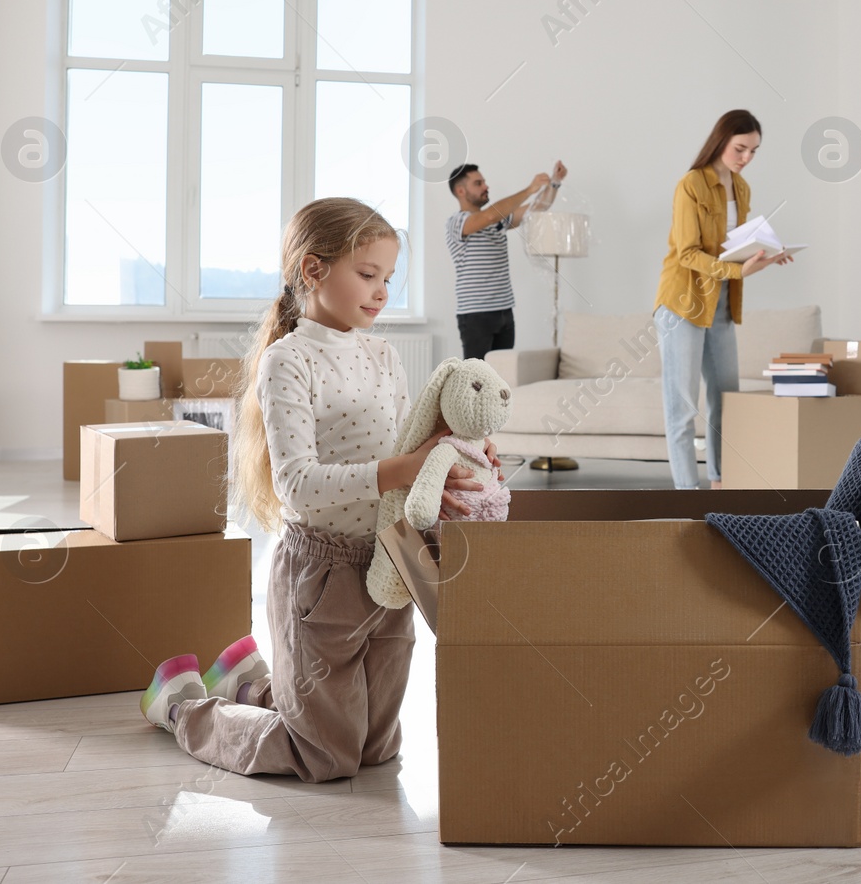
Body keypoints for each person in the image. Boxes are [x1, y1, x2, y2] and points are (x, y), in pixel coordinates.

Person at [137, 197, 494, 782]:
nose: (382, 292)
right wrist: (404, 469)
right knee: (325, 756)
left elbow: (411, 443)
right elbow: (299, 487)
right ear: (313, 270)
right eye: (368, 275)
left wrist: (460, 450)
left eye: (389, 278)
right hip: (321, 576)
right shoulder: (287, 360)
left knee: (377, 750)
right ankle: (181, 706)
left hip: (389, 562)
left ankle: (255, 685)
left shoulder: (383, 354)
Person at [652, 110, 791, 490]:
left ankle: (719, 485)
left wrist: (767, 254)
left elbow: (734, 247)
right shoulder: (691, 184)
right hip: (683, 303)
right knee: (683, 408)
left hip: (723, 302)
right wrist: (736, 271)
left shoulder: (741, 188)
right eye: (740, 148)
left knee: (726, 401)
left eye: (753, 151)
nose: (746, 158)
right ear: (720, 142)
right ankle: (686, 496)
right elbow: (687, 253)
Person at [446, 161, 567, 360]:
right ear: (461, 191)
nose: (486, 186)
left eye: (484, 181)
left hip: (504, 313)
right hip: (476, 315)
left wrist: (554, 183)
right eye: (478, 183)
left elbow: (537, 208)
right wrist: (530, 189)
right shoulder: (457, 222)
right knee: (477, 381)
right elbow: (489, 215)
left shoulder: (498, 223)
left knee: (502, 375)